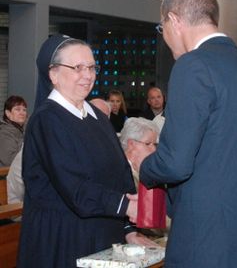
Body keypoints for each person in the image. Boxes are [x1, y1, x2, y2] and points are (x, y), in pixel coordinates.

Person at [130, 0, 237, 267]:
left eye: (161, 27)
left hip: (211, 243)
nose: (164, 35)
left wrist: (146, 164)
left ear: (174, 20)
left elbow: (176, 163)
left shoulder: (194, 66)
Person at [17, 35, 155, 268]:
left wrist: (129, 229)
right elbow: (75, 187)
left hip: (104, 235)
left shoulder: (97, 116)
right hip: (64, 238)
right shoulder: (46, 120)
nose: (88, 75)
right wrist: (126, 205)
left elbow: (120, 173)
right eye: (78, 67)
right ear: (53, 74)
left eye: (91, 67)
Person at [119, 117, 159, 189]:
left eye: (155, 144)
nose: (154, 149)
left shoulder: (149, 169)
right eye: (148, 143)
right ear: (131, 144)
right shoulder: (119, 173)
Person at [0, 95, 27, 166]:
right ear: (8, 113)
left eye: (24, 110)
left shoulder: (23, 129)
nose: (22, 113)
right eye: (17, 109)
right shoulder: (4, 133)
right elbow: (10, 161)